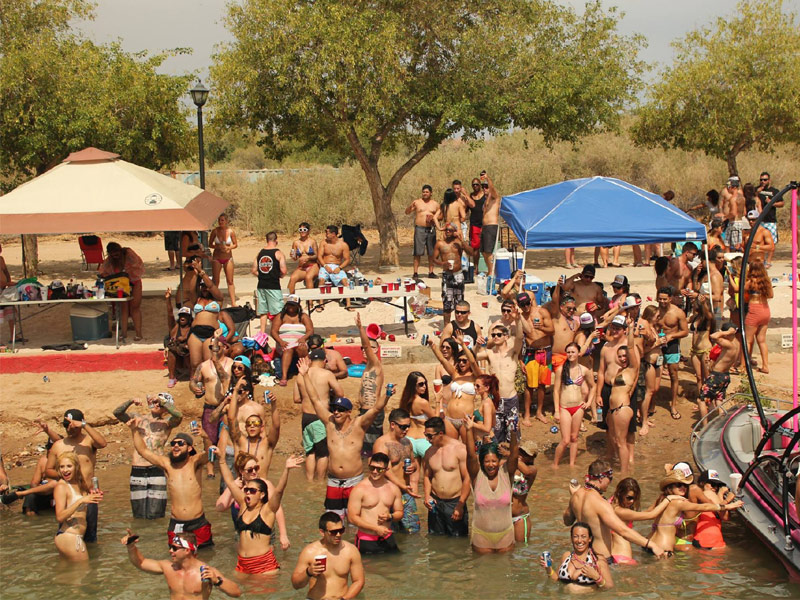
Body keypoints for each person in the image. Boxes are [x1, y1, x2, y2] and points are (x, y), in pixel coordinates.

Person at [299, 354, 388, 522]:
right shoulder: (329, 423)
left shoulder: (359, 425)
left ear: (348, 412)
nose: (336, 412)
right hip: (333, 482)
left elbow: (375, 409)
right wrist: (305, 375)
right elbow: (315, 400)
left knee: (355, 521)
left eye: (341, 409)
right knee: (333, 523)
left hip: (354, 481)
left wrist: (388, 395)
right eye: (334, 409)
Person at [217, 447, 303, 574]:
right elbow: (229, 481)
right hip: (242, 565)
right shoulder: (243, 505)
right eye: (246, 490)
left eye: (252, 491)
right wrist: (221, 460)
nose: (248, 493)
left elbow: (279, 491)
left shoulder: (268, 510)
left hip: (263, 565)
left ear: (262, 494)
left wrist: (286, 470)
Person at [128, 425, 213, 548]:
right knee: (176, 558)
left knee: (206, 557)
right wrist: (134, 430)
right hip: (177, 524)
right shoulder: (167, 464)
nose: (176, 446)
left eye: (180, 443)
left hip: (198, 523)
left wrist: (205, 437)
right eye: (173, 443)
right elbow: (143, 451)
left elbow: (211, 452)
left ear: (189, 448)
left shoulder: (195, 462)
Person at [563, 459, 666, 560]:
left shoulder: (576, 496)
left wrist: (572, 498)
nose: (610, 482)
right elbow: (623, 530)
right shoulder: (601, 503)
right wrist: (651, 545)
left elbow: (567, 521)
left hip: (583, 558)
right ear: (601, 478)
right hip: (601, 560)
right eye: (610, 478)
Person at [113, 392, 182, 519]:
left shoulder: (167, 423)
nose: (157, 405)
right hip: (138, 467)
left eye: (160, 404)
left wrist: (162, 401)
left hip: (157, 467)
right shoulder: (137, 418)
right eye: (155, 402)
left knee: (156, 513)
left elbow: (179, 415)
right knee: (138, 514)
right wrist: (131, 400)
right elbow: (117, 413)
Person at [44, 409, 107, 543]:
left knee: (90, 536)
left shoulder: (89, 441)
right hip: (68, 495)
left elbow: (102, 443)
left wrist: (85, 425)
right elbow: (48, 470)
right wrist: (64, 474)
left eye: (73, 426)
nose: (69, 429)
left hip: (88, 494)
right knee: (67, 532)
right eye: (66, 426)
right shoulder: (58, 445)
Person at [647, 469, 741, 555]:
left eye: (685, 485)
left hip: (651, 542)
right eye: (679, 485)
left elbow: (648, 514)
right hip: (668, 547)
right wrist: (727, 504)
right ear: (670, 488)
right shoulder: (680, 502)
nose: (683, 487)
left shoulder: (663, 499)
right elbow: (705, 506)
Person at [123, 530, 242, 598]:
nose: (170, 551)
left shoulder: (205, 571)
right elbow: (141, 563)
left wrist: (217, 581)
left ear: (187, 550)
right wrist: (131, 546)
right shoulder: (168, 567)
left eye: (174, 548)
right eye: (170, 547)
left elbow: (236, 592)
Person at [214, 451, 291, 551]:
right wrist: (232, 487)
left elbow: (277, 509)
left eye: (256, 468)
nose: (254, 472)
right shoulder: (237, 489)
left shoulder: (265, 485)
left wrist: (283, 535)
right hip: (242, 531)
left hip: (263, 529)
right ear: (241, 471)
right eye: (250, 470)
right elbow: (220, 507)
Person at [464, 416, 517, 553]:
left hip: (506, 535)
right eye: (487, 461)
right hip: (481, 537)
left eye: (494, 461)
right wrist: (469, 430)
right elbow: (470, 456)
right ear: (481, 463)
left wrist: (513, 432)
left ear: (500, 461)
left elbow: (514, 457)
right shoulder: (477, 475)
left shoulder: (506, 473)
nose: (491, 465)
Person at [474, 313, 529, 443]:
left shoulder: (513, 352)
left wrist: (518, 319)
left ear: (506, 336)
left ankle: (513, 461)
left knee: (513, 435)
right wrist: (477, 345)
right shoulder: (489, 353)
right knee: (495, 433)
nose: (495, 337)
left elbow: (520, 337)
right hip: (495, 399)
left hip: (511, 399)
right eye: (493, 335)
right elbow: (474, 357)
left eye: (499, 335)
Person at [294, 346, 344, 480]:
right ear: (325, 361)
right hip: (320, 417)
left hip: (306, 417)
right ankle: (320, 482)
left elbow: (296, 399)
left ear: (309, 360)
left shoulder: (300, 375)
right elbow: (341, 394)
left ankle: (310, 481)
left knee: (310, 452)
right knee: (323, 453)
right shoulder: (327, 374)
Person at [291, 512, 365, 600]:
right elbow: (296, 585)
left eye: (341, 530)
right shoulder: (309, 552)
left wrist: (345, 598)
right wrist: (308, 572)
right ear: (322, 532)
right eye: (333, 532)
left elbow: (359, 581)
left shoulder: (350, 550)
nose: (338, 535)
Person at [372, 408, 422, 533]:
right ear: (393, 425)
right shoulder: (382, 443)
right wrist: (402, 486)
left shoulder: (407, 442)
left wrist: (413, 467)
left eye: (408, 427)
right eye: (403, 427)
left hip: (406, 493)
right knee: (387, 532)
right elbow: (384, 469)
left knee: (413, 531)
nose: (406, 430)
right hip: (388, 493)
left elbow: (414, 462)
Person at [190, 341, 233, 477]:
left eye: (216, 346)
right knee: (208, 439)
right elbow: (193, 380)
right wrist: (194, 388)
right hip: (210, 407)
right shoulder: (203, 365)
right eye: (211, 347)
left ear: (225, 347)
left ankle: (225, 468)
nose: (213, 349)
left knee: (226, 440)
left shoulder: (232, 364)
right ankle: (210, 471)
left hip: (226, 407)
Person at [422, 417, 470, 537]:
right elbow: (427, 476)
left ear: (441, 433)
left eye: (430, 436)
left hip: (454, 502)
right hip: (435, 503)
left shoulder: (460, 449)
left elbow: (467, 479)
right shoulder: (429, 452)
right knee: (435, 541)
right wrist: (427, 496)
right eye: (425, 435)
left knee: (458, 542)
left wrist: (460, 505)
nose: (427, 439)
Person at [347, 452, 403, 554]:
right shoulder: (359, 489)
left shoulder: (393, 489)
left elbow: (399, 512)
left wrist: (390, 516)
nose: (375, 472)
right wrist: (376, 529)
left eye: (379, 469)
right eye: (372, 468)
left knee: (396, 566)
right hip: (366, 539)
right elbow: (352, 517)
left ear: (386, 470)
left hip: (387, 537)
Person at [428, 334, 480, 440]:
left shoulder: (476, 376)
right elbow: (443, 360)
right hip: (449, 418)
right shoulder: (455, 374)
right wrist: (433, 346)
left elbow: (474, 362)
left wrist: (463, 345)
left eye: (464, 361)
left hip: (465, 419)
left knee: (467, 449)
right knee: (451, 447)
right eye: (459, 360)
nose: (461, 363)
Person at [53, 451, 102, 561]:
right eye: (62, 467)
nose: (65, 470)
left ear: (76, 467)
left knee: (68, 576)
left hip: (75, 537)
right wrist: (80, 501)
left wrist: (93, 496)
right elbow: (59, 517)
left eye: (69, 466)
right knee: (84, 573)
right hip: (69, 537)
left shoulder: (78, 483)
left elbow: (85, 502)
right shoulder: (61, 486)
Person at [606, 317, 639, 477]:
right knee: (615, 440)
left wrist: (631, 330)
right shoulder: (619, 371)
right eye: (620, 356)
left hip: (622, 409)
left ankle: (624, 474)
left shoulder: (632, 369)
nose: (623, 358)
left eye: (625, 356)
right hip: (613, 410)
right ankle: (619, 466)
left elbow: (631, 348)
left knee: (621, 442)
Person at [609, 478, 669, 565]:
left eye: (634, 498)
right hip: (622, 556)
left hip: (617, 555)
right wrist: (668, 500)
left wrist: (660, 499)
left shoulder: (611, 503)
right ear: (620, 493)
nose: (632, 501)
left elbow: (646, 513)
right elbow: (652, 515)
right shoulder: (620, 511)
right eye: (629, 498)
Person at [553, 342, 594, 468]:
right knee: (565, 440)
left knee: (574, 438)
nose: (570, 354)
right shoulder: (561, 369)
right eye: (568, 352)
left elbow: (593, 386)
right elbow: (556, 390)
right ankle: (555, 464)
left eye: (573, 352)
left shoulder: (584, 370)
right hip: (564, 407)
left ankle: (572, 464)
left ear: (578, 353)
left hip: (578, 408)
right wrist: (556, 411)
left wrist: (588, 402)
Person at [517, 291, 555, 426]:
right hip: (530, 352)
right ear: (519, 305)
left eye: (527, 303)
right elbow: (518, 340)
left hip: (546, 351)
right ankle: (527, 413)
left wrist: (542, 328)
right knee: (529, 385)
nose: (526, 307)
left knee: (542, 384)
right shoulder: (520, 317)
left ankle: (539, 412)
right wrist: (519, 359)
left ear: (530, 301)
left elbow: (552, 330)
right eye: (522, 305)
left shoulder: (542, 312)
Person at [541, 522, 614, 590]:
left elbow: (609, 587)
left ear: (590, 539)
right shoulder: (566, 556)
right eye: (575, 536)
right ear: (571, 538)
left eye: (583, 536)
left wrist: (597, 577)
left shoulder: (598, 560)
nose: (579, 540)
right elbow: (556, 580)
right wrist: (548, 568)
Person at [98, 241, 145, 341]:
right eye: (113, 254)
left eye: (117, 253)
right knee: (124, 309)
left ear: (120, 250)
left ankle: (138, 334)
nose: (116, 256)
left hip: (134, 282)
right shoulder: (110, 260)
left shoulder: (128, 253)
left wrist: (126, 273)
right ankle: (123, 334)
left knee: (135, 308)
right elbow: (102, 271)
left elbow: (138, 265)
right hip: (121, 286)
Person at [655, 286, 689, 420]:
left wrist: (671, 336)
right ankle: (651, 404)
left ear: (670, 299)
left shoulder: (678, 312)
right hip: (657, 344)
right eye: (660, 299)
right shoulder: (655, 311)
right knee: (654, 373)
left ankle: (673, 405)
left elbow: (685, 332)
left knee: (673, 374)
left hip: (672, 344)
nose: (662, 301)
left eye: (665, 299)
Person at [187, 267, 230, 372]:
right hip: (195, 333)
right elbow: (191, 290)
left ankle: (208, 384)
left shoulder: (218, 299)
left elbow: (211, 285)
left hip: (210, 334)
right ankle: (195, 383)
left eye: (206, 287)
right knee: (195, 363)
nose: (204, 288)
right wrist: (195, 273)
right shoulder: (197, 299)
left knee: (209, 362)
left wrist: (201, 271)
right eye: (202, 287)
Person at [354, 312, 385, 455]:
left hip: (372, 411)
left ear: (376, 349)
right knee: (365, 447)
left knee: (371, 449)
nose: (365, 350)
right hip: (365, 411)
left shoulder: (375, 364)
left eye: (370, 348)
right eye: (362, 349)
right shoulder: (368, 367)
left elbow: (366, 345)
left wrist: (360, 328)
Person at [698, 322, 740, 419]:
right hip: (725, 376)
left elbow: (713, 336)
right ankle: (721, 423)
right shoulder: (736, 343)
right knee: (719, 400)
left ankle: (703, 428)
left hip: (716, 376)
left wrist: (725, 332)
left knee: (701, 401)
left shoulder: (729, 344)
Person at [270, 295, 313, 386]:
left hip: (299, 342)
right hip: (284, 344)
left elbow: (310, 330)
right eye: (289, 305)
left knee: (302, 348)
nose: (291, 308)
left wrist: (303, 338)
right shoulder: (281, 316)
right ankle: (284, 377)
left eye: (293, 305)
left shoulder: (303, 316)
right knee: (288, 350)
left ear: (298, 306)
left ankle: (305, 373)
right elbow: (273, 331)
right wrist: (280, 341)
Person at [693, 470, 739, 550]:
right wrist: (726, 498)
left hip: (706, 540)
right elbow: (725, 516)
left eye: (717, 486)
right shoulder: (708, 493)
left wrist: (720, 495)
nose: (715, 488)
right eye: (712, 484)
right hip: (709, 541)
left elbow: (721, 512)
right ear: (702, 483)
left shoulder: (702, 497)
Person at [252, 231, 287, 334]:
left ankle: (262, 331)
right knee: (277, 310)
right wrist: (279, 275)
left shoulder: (260, 253)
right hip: (274, 285)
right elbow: (284, 270)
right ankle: (276, 330)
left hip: (261, 285)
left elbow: (253, 270)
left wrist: (262, 275)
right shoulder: (278, 253)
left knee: (263, 310)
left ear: (266, 240)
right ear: (276, 240)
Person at [744, 259, 773, 374]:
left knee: (748, 340)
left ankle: (745, 363)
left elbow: (738, 290)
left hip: (754, 310)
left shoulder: (750, 281)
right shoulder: (766, 281)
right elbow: (771, 295)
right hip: (765, 310)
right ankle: (765, 365)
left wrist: (731, 278)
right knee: (762, 340)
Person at [433, 223, 465, 325]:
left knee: (459, 302)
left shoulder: (458, 243)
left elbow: (471, 252)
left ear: (454, 231)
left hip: (459, 274)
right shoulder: (440, 244)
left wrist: (461, 241)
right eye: (446, 230)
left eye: (450, 230)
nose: (447, 232)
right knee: (447, 302)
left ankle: (458, 325)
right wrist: (442, 264)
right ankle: (447, 327)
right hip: (447, 275)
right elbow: (433, 259)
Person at [405, 184, 439, 278]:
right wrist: (410, 206)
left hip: (431, 229)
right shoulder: (417, 202)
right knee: (417, 252)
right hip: (420, 229)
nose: (425, 193)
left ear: (431, 193)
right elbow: (407, 212)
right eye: (423, 192)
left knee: (431, 252)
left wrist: (433, 218)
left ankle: (431, 272)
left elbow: (440, 216)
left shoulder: (435, 204)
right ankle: (415, 272)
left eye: (427, 192)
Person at [398, 372, 437, 442]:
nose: (424, 386)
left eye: (425, 383)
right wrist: (438, 401)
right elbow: (436, 420)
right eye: (421, 384)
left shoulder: (405, 401)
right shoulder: (422, 402)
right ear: (413, 386)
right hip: (422, 439)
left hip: (408, 438)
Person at [511, 439, 538, 543]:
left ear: (532, 458)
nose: (522, 455)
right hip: (504, 516)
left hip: (520, 516)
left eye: (526, 454)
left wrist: (511, 455)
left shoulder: (532, 469)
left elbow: (526, 471)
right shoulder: (511, 465)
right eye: (521, 451)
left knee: (521, 550)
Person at [209, 213, 238, 306]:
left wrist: (229, 248)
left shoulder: (231, 232)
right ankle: (214, 299)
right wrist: (217, 246)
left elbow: (235, 244)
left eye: (222, 220)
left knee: (230, 280)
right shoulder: (215, 231)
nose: (220, 222)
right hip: (217, 257)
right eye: (219, 220)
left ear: (226, 221)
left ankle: (233, 301)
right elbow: (210, 244)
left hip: (228, 257)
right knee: (216, 280)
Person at [165, 290, 192, 388]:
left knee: (188, 349)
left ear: (189, 318)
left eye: (185, 316)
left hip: (187, 356)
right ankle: (172, 377)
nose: (182, 318)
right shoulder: (174, 327)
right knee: (172, 350)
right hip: (176, 357)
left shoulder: (192, 327)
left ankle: (192, 376)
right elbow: (170, 314)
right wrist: (168, 299)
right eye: (181, 315)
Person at [477, 171, 501, 277]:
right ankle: (490, 270)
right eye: (484, 187)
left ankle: (492, 272)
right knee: (483, 251)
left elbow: (492, 188)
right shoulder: (485, 201)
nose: (485, 189)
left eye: (486, 187)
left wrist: (487, 178)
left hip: (492, 226)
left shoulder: (495, 198)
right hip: (485, 227)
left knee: (489, 251)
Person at [756, 171, 782, 266]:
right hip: (759, 220)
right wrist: (756, 193)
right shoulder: (757, 190)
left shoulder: (774, 191)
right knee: (760, 240)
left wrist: (772, 203)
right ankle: (761, 259)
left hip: (770, 220)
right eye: (761, 180)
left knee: (772, 241)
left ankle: (769, 260)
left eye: (765, 180)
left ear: (769, 180)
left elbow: (781, 203)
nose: (763, 181)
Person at [288, 222, 320, 293]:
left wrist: (308, 258)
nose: (302, 232)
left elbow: (317, 255)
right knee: (293, 278)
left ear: (308, 231)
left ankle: (310, 302)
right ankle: (290, 301)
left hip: (312, 265)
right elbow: (295, 258)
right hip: (302, 267)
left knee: (308, 277)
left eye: (304, 230)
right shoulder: (296, 243)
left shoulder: (312, 241)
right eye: (300, 230)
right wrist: (293, 256)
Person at [721, 177, 746, 251]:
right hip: (740, 222)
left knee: (732, 246)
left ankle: (734, 262)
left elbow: (733, 213)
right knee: (736, 244)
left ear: (734, 187)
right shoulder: (742, 198)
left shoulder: (733, 198)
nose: (728, 189)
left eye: (729, 187)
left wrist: (725, 217)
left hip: (734, 223)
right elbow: (744, 212)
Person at [0, 242, 18, 344]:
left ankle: (13, 336)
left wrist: (9, 284)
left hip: (5, 290)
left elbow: (6, 272)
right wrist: (7, 283)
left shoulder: (1, 259)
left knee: (12, 312)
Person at [468, 176, 487, 268]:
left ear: (480, 185)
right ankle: (476, 268)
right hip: (474, 224)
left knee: (486, 248)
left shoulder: (485, 195)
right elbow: (465, 209)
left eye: (477, 184)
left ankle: (489, 268)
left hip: (485, 224)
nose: (475, 186)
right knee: (475, 248)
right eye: (473, 184)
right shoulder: (470, 196)